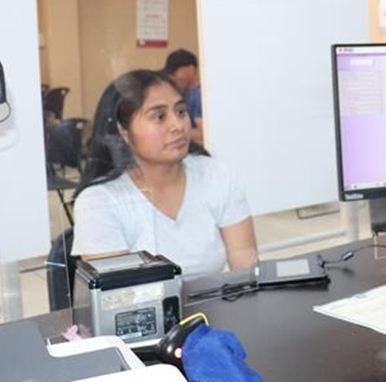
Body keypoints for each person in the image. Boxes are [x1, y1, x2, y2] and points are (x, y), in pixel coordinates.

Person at [72, 69, 257, 279]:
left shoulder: (216, 175)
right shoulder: (99, 201)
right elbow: (119, 298)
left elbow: (246, 268)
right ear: (123, 131)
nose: (178, 125)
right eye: (159, 116)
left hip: (213, 308)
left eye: (180, 112)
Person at [163, 48, 204, 145]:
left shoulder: (199, 97)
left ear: (191, 69)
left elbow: (204, 134)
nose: (173, 77)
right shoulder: (184, 95)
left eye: (175, 72)